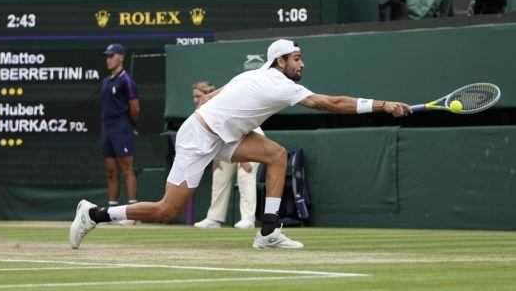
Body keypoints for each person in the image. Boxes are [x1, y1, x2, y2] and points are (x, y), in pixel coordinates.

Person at [71, 39, 411, 250]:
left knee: (277, 156)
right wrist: (382, 105)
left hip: (224, 134)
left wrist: (219, 111)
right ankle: (94, 214)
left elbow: (211, 97)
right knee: (165, 210)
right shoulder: (279, 84)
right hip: (200, 137)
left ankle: (268, 231)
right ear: (280, 62)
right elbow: (332, 103)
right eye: (295, 59)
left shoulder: (250, 75)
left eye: (300, 58)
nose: (301, 64)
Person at [191, 81, 260, 229]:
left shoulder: (220, 104)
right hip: (230, 142)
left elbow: (241, 124)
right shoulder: (202, 112)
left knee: (245, 176)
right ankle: (214, 219)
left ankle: (248, 219)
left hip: (250, 137)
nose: (195, 99)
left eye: (198, 96)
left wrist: (245, 158)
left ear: (207, 95)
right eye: (193, 96)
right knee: (219, 175)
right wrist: (217, 160)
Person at [100, 43, 140, 224]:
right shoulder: (106, 81)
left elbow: (135, 108)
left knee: (126, 169)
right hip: (107, 129)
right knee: (110, 171)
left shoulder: (127, 80)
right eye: (107, 56)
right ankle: (112, 212)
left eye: (112, 56)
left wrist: (128, 124)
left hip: (121, 128)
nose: (108, 59)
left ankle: (132, 213)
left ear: (121, 57)